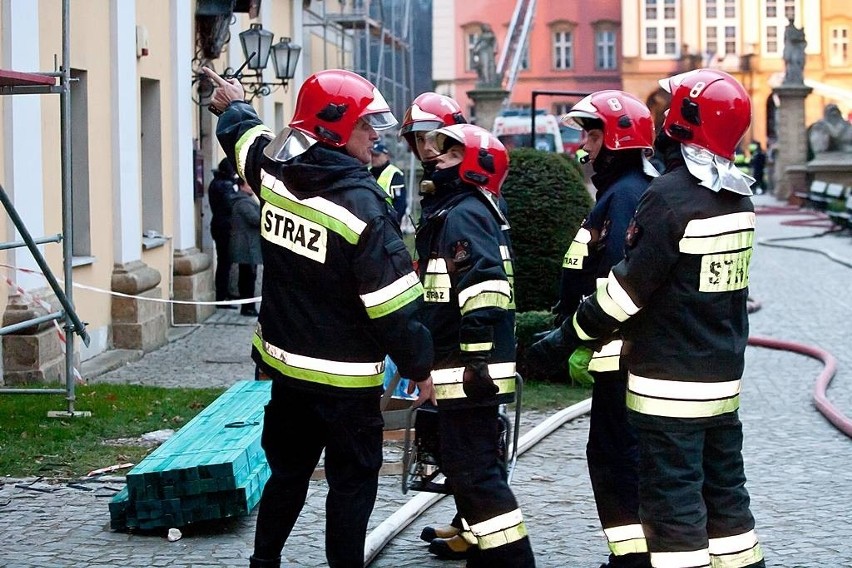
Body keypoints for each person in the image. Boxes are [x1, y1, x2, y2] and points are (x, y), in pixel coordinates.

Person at [528, 68, 765, 568]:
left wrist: (566, 335)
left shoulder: (670, 197)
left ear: (683, 119)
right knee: (726, 504)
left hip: (668, 386)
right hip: (721, 383)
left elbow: (625, 294)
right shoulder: (738, 197)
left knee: (672, 506)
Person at [203, 66, 436, 568]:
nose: (375, 136)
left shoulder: (275, 175)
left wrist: (233, 105)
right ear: (333, 128)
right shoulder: (364, 206)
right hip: (346, 382)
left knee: (286, 475)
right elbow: (392, 307)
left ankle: (264, 562)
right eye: (365, 125)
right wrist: (419, 368)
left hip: (286, 372)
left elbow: (246, 143)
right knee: (352, 486)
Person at [415, 123, 535, 568]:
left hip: (469, 373)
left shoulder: (464, 214)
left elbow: (484, 289)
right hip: (465, 370)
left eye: (446, 156)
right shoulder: (470, 210)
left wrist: (476, 360)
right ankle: (488, 558)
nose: (434, 159)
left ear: (472, 168)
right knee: (471, 476)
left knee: (477, 477)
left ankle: (512, 561)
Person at [553, 90, 658, 568]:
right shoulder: (617, 193)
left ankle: (634, 558)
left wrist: (568, 337)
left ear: (617, 139)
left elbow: (617, 283)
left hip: (622, 357)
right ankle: (630, 556)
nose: (584, 145)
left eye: (592, 134)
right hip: (611, 354)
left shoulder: (626, 196)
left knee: (618, 459)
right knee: (612, 455)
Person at [399, 91, 475, 560]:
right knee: (450, 440)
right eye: (417, 139)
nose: (425, 148)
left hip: (459, 342)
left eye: (433, 138)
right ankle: (466, 518)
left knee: (469, 447)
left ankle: (477, 526)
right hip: (439, 331)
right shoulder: (438, 189)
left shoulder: (463, 195)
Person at [208, 158, 239, 308]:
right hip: (224, 227)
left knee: (225, 262)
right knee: (224, 263)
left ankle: (224, 293)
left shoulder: (218, 183)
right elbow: (231, 203)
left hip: (220, 225)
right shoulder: (224, 185)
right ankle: (222, 296)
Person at [230, 178, 262, 317]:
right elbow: (255, 219)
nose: (251, 187)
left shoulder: (247, 200)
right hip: (246, 246)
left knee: (249, 277)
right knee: (248, 278)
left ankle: (249, 306)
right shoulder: (243, 202)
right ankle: (248, 307)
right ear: (242, 186)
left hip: (249, 245)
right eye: (249, 184)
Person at [369, 141, 407, 225]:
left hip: (387, 221)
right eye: (372, 155)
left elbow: (400, 204)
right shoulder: (367, 172)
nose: (373, 158)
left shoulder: (394, 174)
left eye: (377, 155)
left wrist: (394, 223)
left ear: (386, 156)